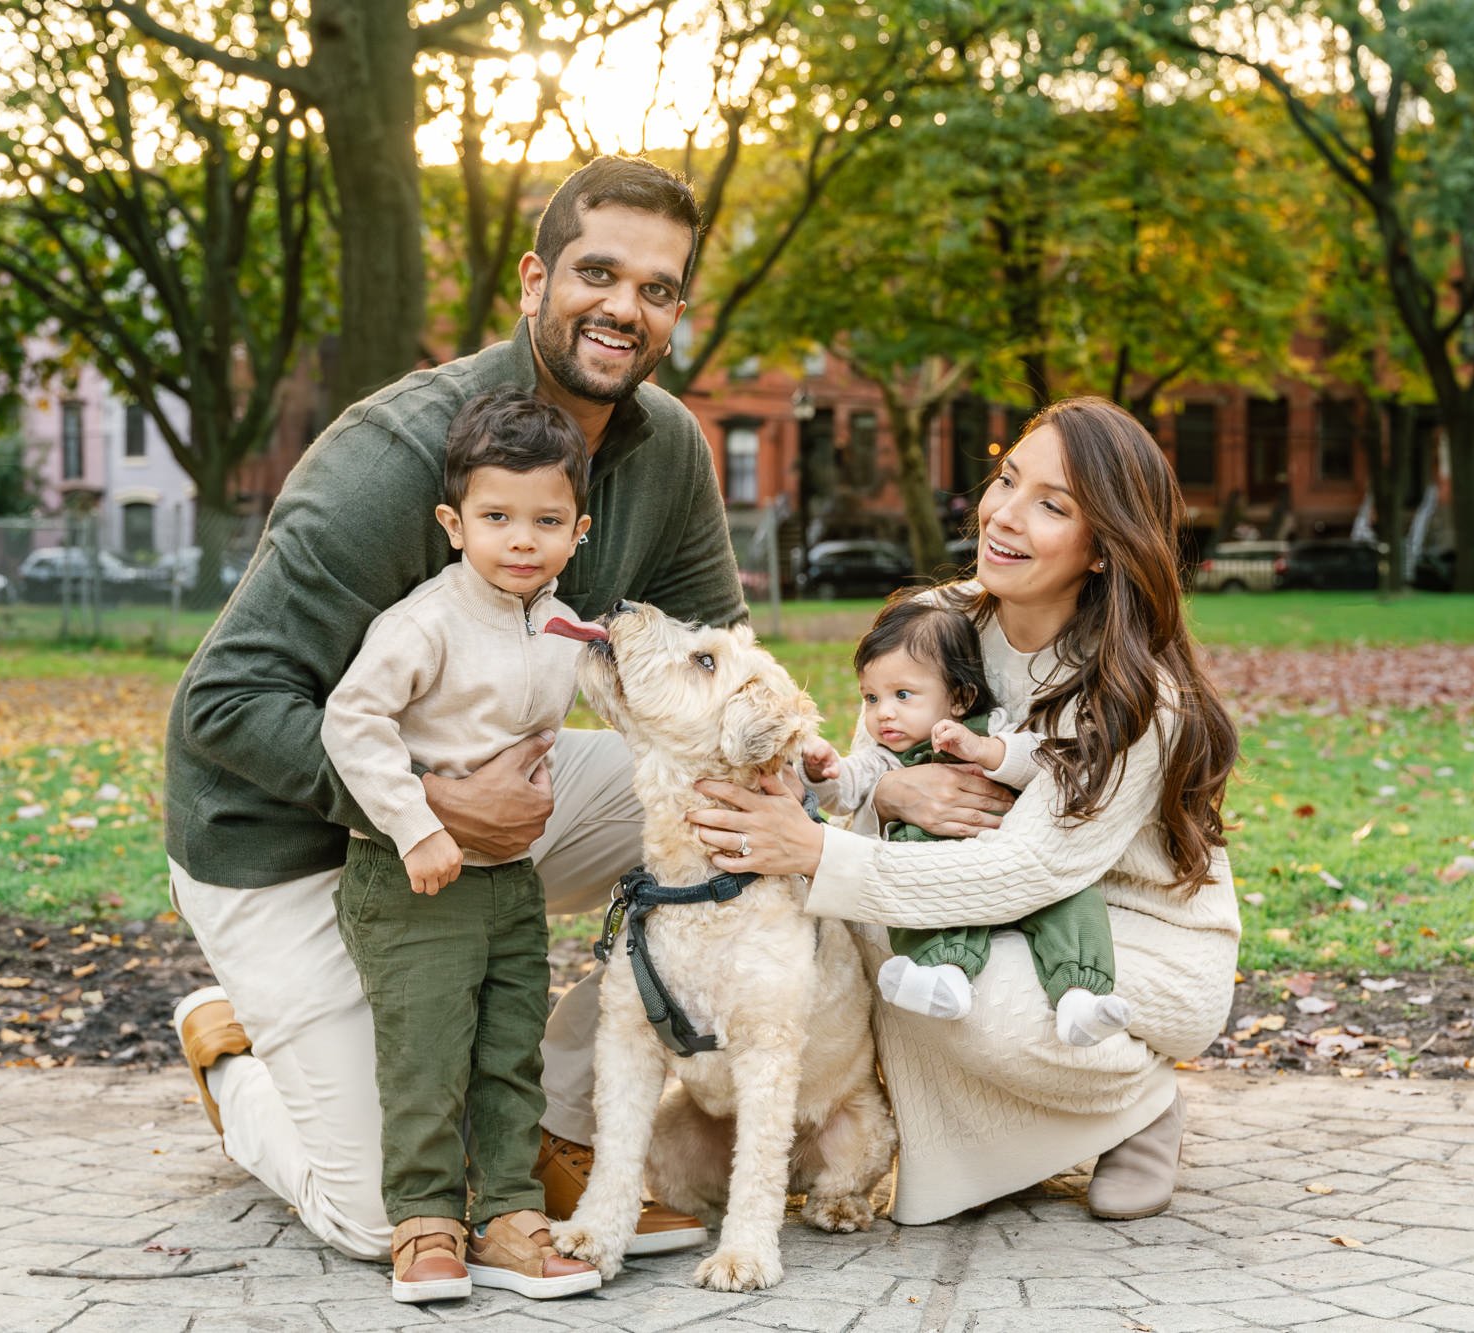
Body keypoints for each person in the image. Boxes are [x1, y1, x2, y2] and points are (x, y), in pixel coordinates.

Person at [164, 155, 741, 1264]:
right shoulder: (390, 458)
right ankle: (237, 1057)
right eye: (596, 272)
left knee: (747, 810)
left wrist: (838, 780)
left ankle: (555, 1119)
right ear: (534, 280)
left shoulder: (666, 449)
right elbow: (223, 704)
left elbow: (713, 666)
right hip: (277, 834)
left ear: (675, 309)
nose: (624, 306)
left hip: (489, 810)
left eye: (657, 288)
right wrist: (421, 804)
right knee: (384, 1214)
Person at [686, 396, 1241, 1226]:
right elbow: (871, 765)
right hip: (998, 921)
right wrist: (883, 790)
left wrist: (812, 852)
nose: (1005, 516)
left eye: (1052, 505)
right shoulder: (946, 619)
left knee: (942, 986)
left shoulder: (1136, 693)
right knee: (870, 938)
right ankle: (1017, 1134)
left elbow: (1025, 869)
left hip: (1129, 941)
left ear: (1104, 549)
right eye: (1008, 479)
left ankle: (1135, 1105)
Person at [323, 389, 603, 1303]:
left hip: (508, 883)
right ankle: (426, 1221)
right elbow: (351, 721)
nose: (521, 539)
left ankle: (510, 1215)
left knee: (507, 1050)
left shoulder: (564, 625)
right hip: (416, 879)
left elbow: (639, 683)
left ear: (578, 529)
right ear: (453, 523)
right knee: (428, 1056)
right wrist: (417, 824)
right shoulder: (424, 624)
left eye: (545, 520)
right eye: (496, 517)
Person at [801, 593, 1133, 1047]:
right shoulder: (881, 758)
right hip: (948, 885)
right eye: (871, 698)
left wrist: (982, 751)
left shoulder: (994, 726)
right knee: (918, 884)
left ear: (959, 698)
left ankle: (1080, 996)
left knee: (1074, 899)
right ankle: (944, 973)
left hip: (1013, 875)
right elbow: (843, 795)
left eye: (903, 695)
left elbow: (1042, 761)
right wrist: (822, 772)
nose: (884, 713)